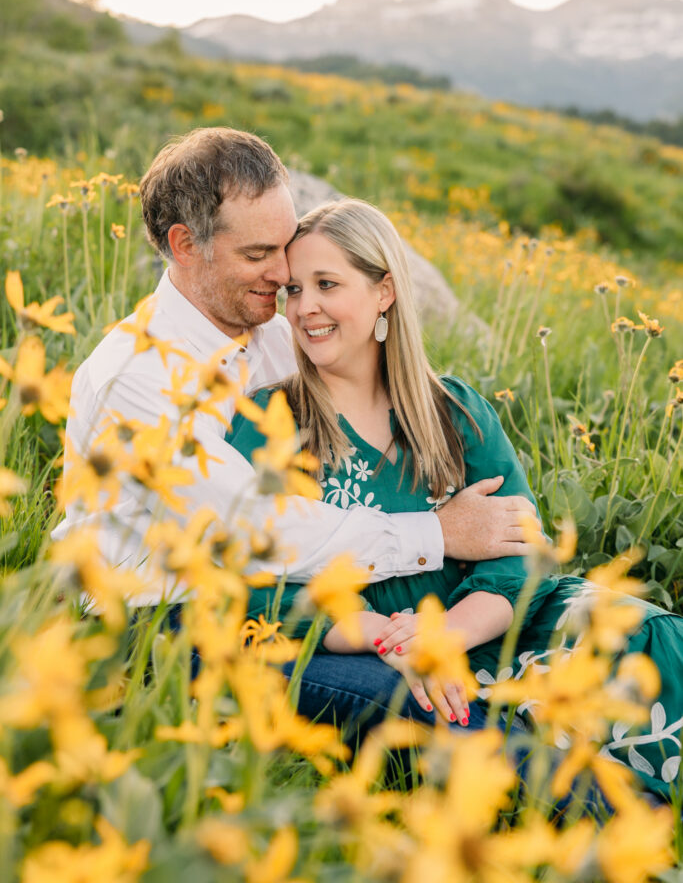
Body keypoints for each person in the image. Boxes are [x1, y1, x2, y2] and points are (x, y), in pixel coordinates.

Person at [229, 198, 683, 800]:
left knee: (644, 634)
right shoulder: (267, 422)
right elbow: (248, 579)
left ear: (383, 291)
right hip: (377, 645)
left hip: (490, 625)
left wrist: (447, 634)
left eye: (326, 284)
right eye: (292, 290)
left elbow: (521, 553)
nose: (304, 307)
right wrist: (382, 635)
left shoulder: (457, 411)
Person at [54, 126, 537, 608]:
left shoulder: (279, 337)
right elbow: (253, 529)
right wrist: (435, 534)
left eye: (283, 248)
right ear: (184, 245)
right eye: (257, 254)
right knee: (402, 683)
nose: (285, 276)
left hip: (286, 597)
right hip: (158, 617)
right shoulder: (136, 376)